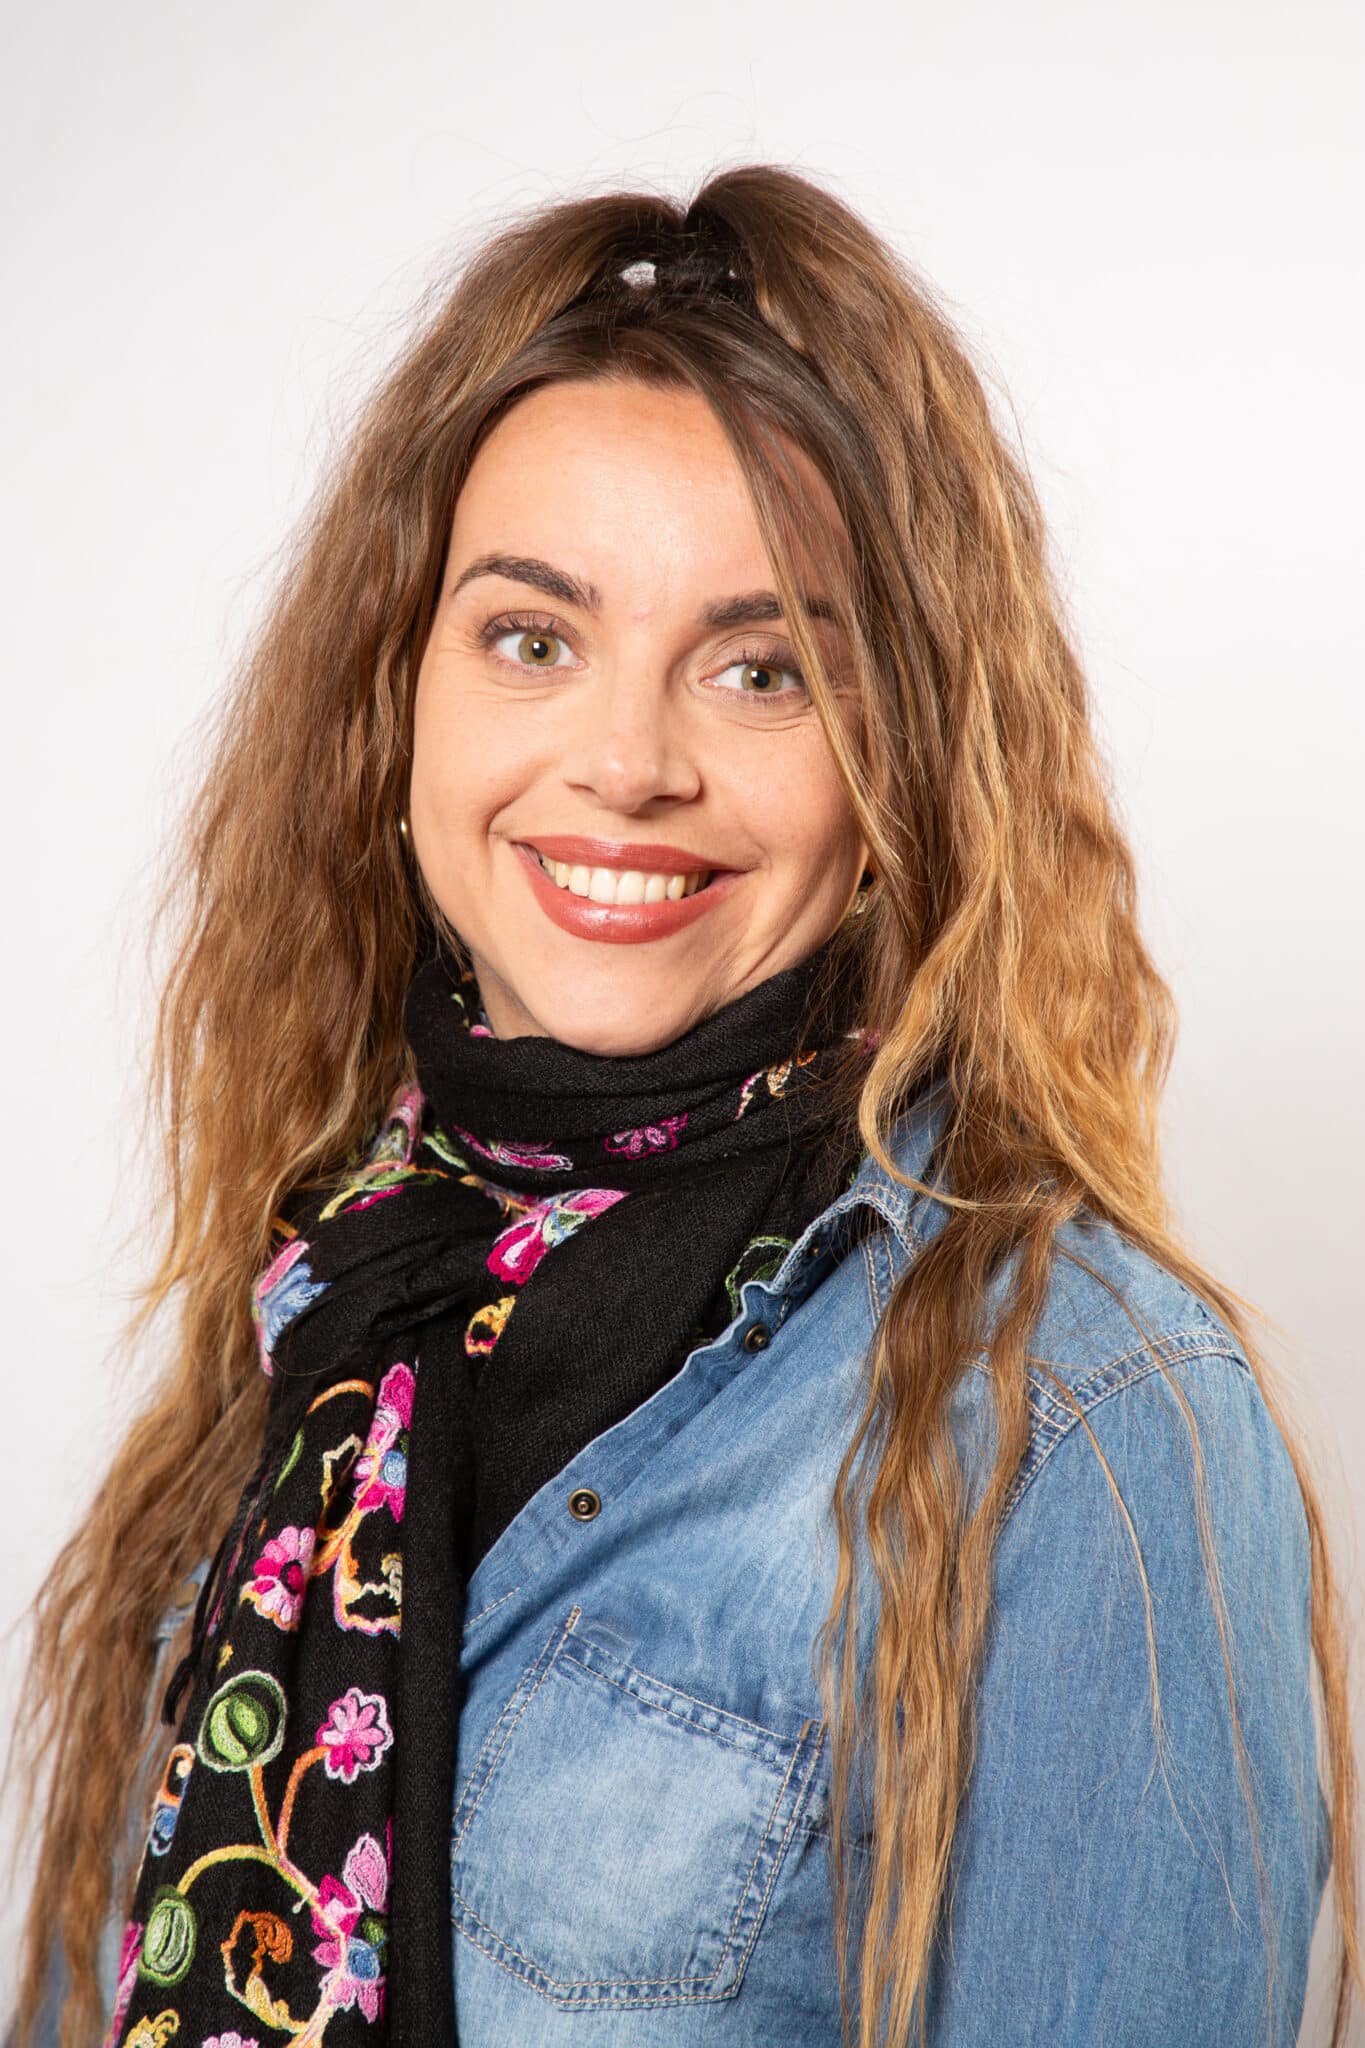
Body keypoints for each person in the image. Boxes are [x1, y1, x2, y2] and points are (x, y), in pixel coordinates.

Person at [5, 165, 1358, 2048]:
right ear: (397, 697)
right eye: (532, 638)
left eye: (760, 669)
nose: (627, 762)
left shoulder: (1086, 1424)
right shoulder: (326, 1302)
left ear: (902, 763)